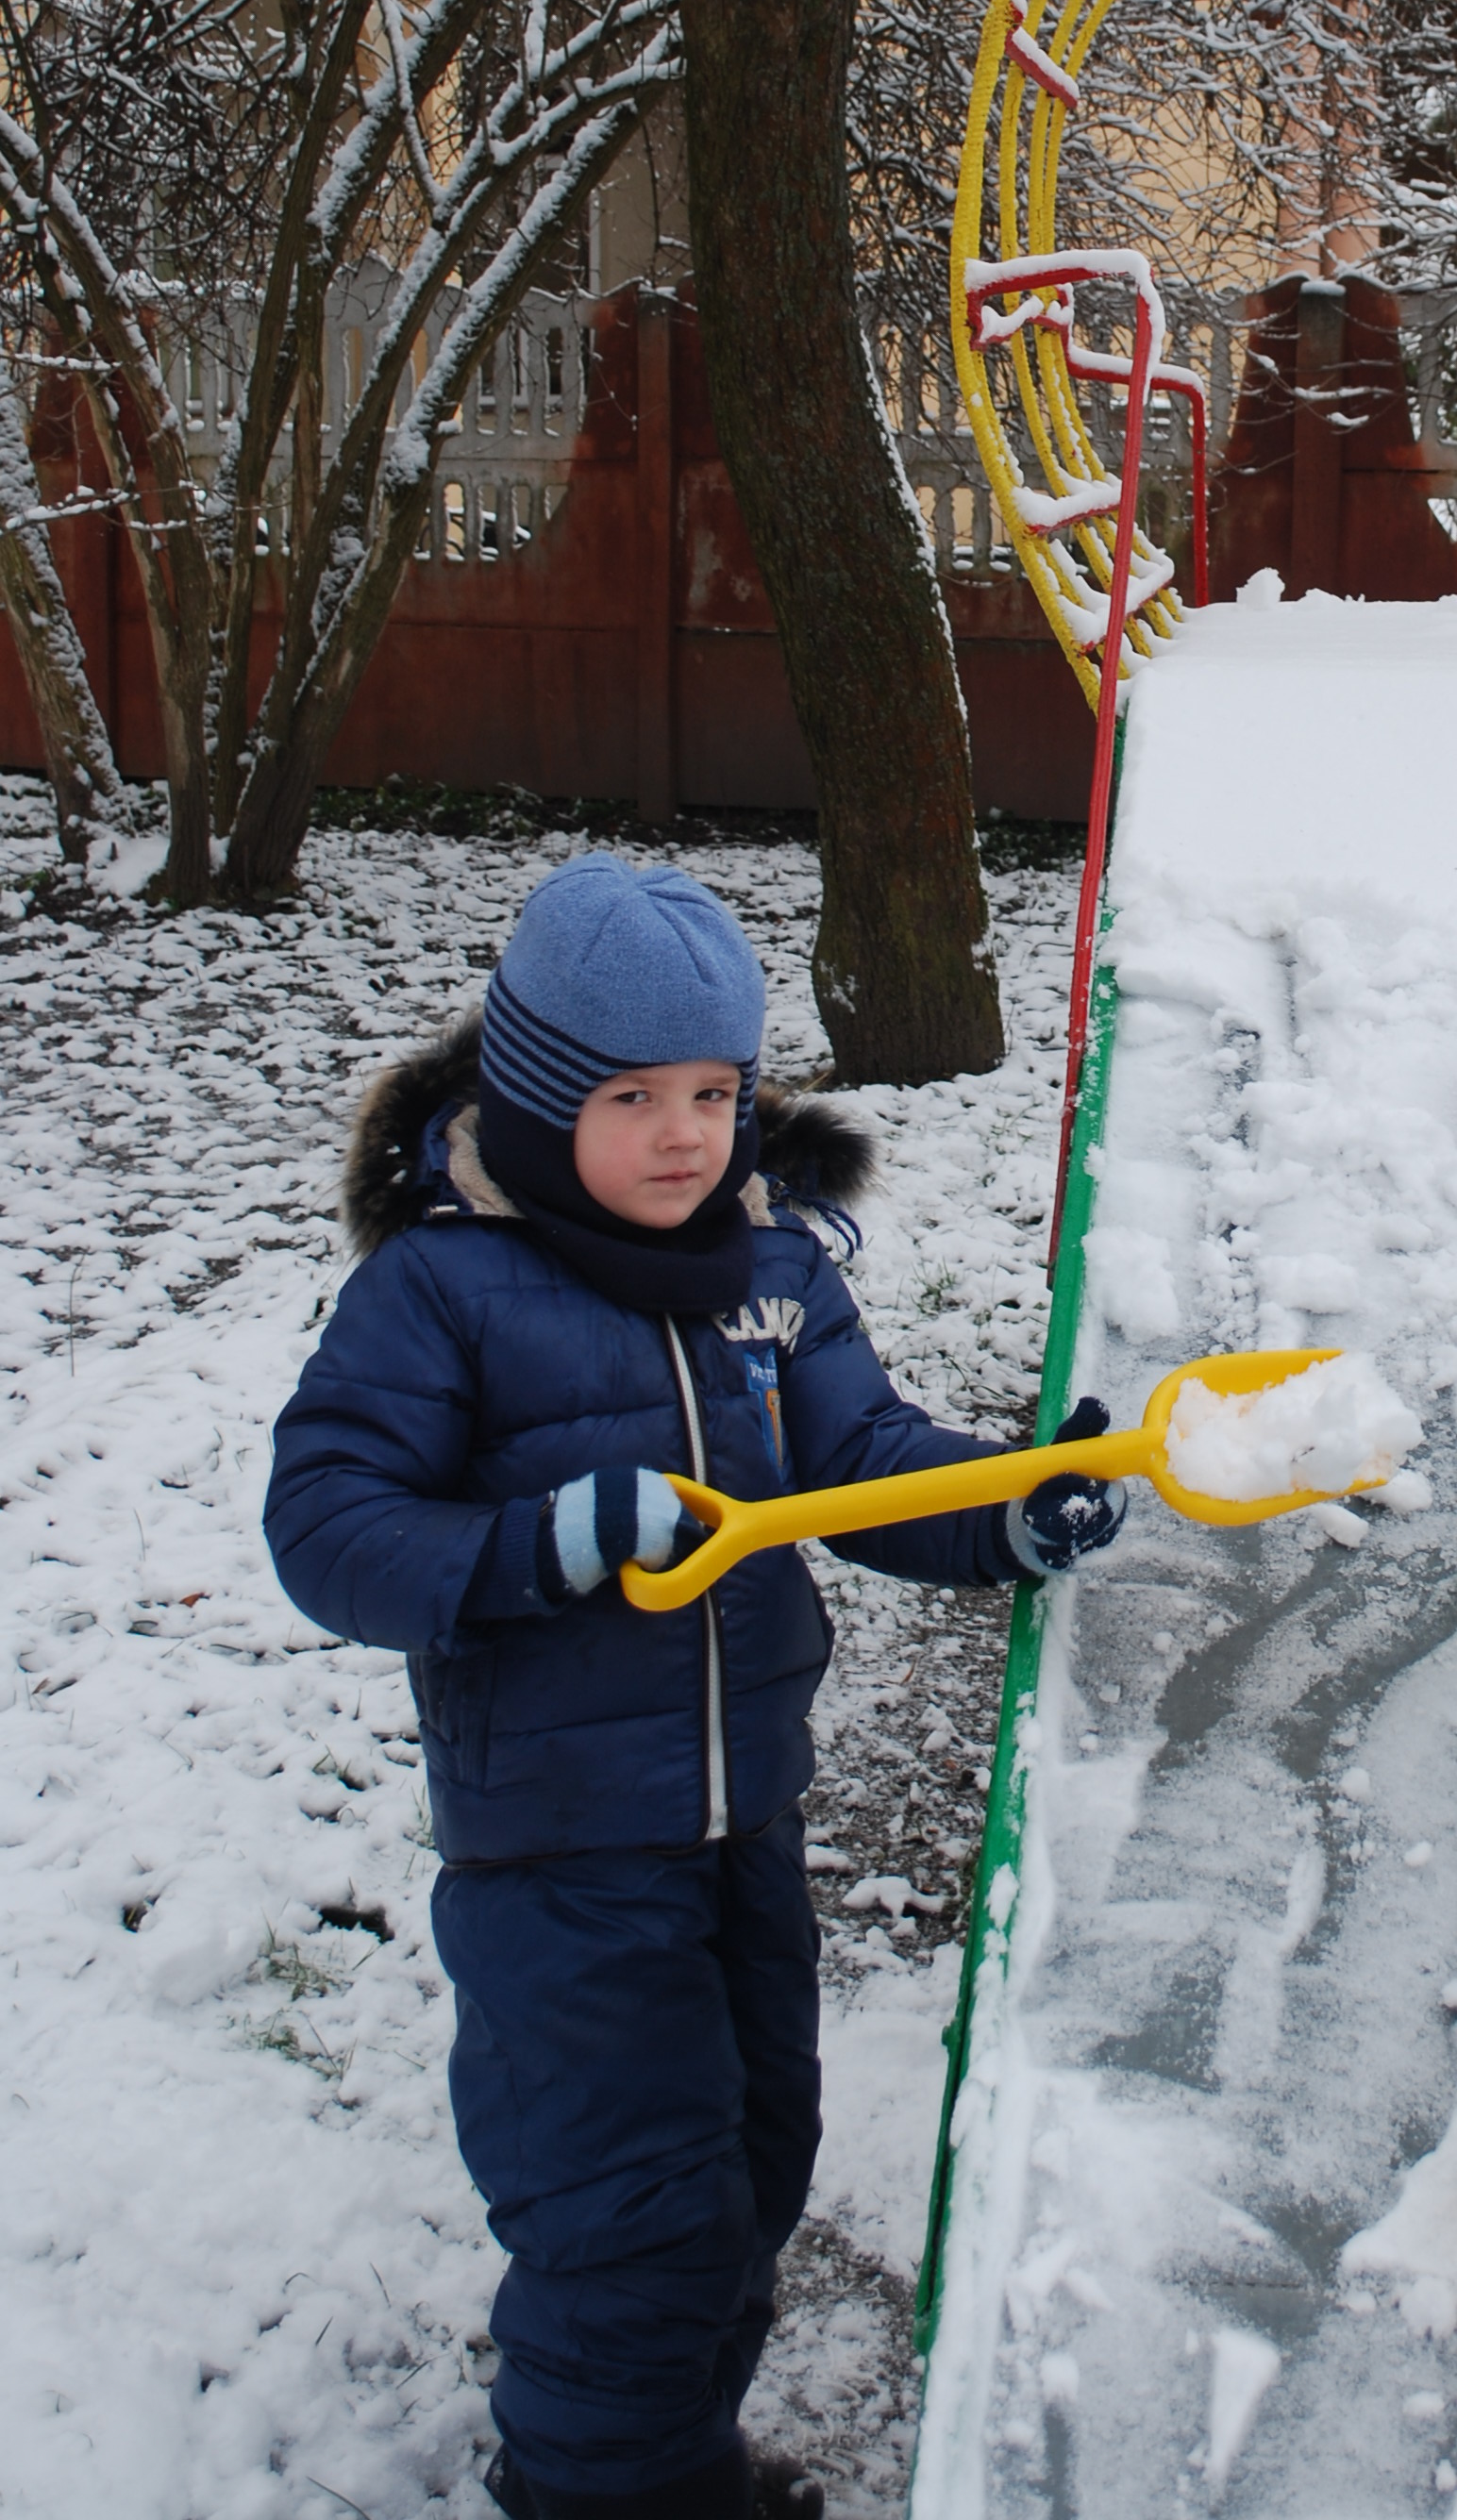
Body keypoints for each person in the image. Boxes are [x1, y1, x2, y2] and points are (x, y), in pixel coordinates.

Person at [264, 856, 1126, 2520]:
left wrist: (1007, 1506)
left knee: (753, 2159)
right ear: (530, 1091)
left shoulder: (773, 1277)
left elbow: (862, 1460)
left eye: (719, 1093)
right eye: (633, 1095)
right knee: (627, 2207)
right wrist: (541, 1543)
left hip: (741, 1821)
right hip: (562, 1854)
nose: (686, 1135)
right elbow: (330, 1527)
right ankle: (617, 2489)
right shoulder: (444, 1291)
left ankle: (665, 2448)